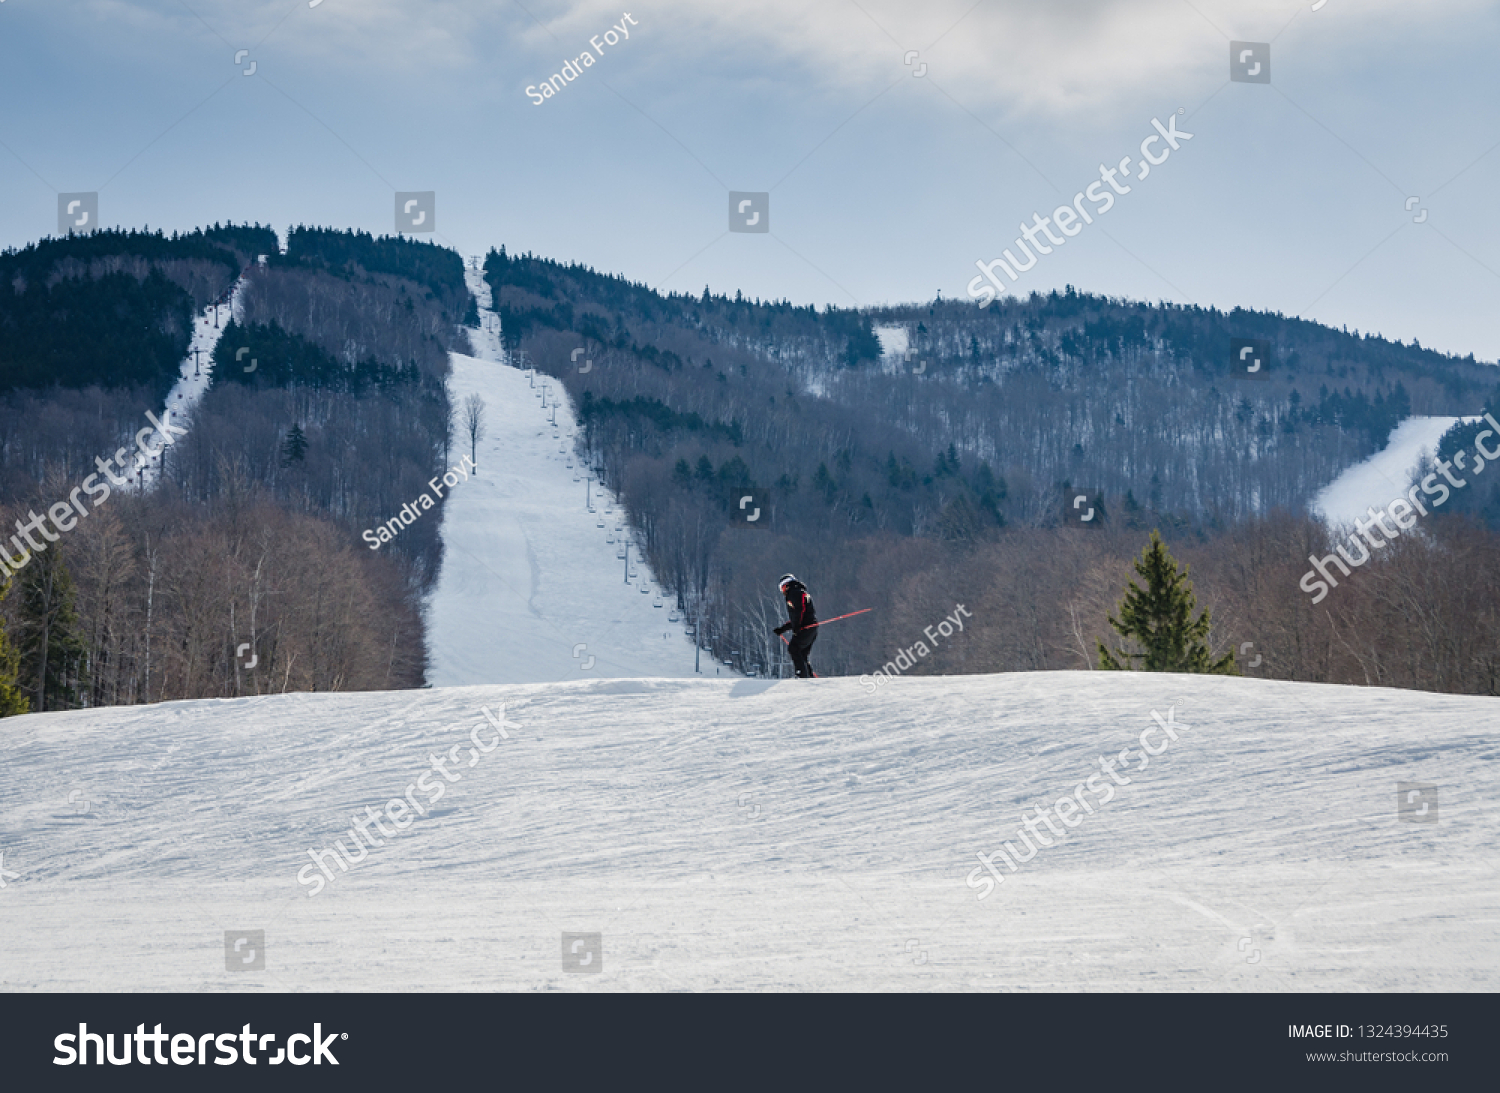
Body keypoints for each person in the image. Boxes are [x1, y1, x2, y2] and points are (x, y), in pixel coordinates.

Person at [773, 573, 818, 678]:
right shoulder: (799, 591)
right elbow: (796, 617)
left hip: (806, 627)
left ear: (786, 585)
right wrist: (782, 629)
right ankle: (809, 676)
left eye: (782, 588)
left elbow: (799, 610)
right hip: (812, 627)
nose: (782, 591)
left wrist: (797, 627)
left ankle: (801, 675)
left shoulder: (794, 592)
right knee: (802, 653)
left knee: (794, 648)